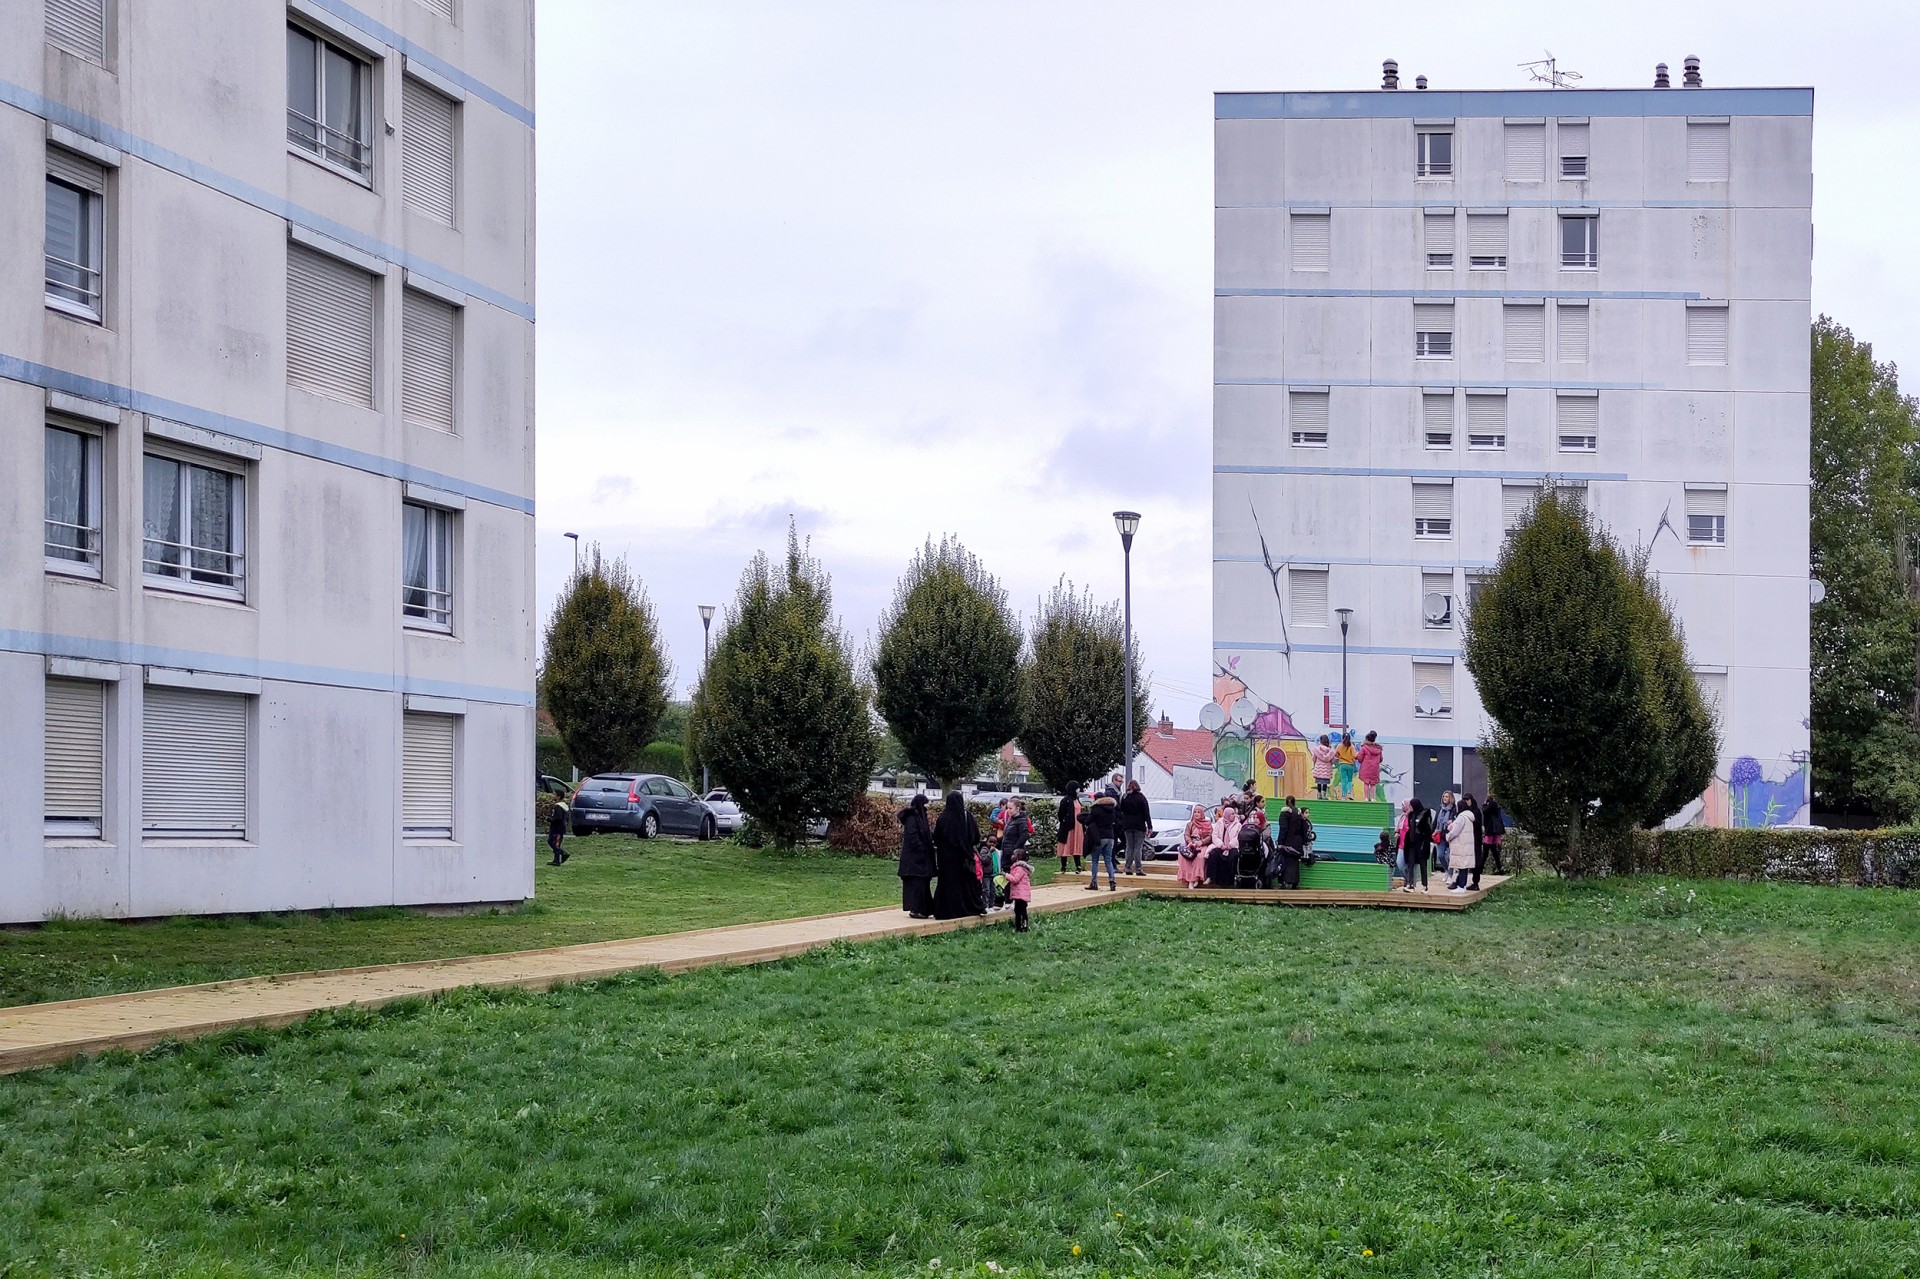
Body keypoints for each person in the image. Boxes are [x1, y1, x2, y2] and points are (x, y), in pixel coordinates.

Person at [931, 792, 985, 918]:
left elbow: (936, 837)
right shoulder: (968, 817)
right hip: (965, 856)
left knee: (948, 883)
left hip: (946, 858)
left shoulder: (943, 818)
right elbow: (976, 837)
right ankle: (970, 907)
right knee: (966, 883)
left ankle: (947, 910)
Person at [897, 793, 937, 917]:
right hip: (914, 858)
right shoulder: (912, 818)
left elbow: (927, 833)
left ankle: (924, 908)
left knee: (923, 883)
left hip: (921, 858)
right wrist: (922, 849)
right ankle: (916, 909)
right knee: (917, 883)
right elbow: (913, 836)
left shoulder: (920, 816)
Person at [1078, 787, 1119, 891]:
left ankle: (1094, 882)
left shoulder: (1096, 809)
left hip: (1099, 837)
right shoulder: (1112, 809)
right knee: (1108, 860)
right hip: (1110, 837)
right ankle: (1112, 881)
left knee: (1095, 860)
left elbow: (1088, 821)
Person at [995, 798, 1031, 912]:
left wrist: (1015, 849)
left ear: (1018, 808)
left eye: (1010, 808)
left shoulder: (1022, 821)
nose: (1008, 811)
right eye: (1007, 808)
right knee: (1006, 876)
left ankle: (1014, 901)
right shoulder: (1011, 819)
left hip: (1014, 854)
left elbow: (1024, 836)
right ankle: (1007, 902)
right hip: (1006, 852)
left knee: (1014, 877)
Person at [1118, 779, 1153, 876]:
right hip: (1139, 826)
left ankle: (1128, 867)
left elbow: (1121, 810)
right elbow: (1146, 813)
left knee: (1129, 846)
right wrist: (1149, 826)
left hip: (1127, 826)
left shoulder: (1125, 798)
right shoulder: (1141, 798)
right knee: (1138, 847)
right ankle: (1138, 868)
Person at [1271, 797, 1307, 889]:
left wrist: (1280, 842)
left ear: (1286, 803)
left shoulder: (1284, 814)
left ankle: (1286, 882)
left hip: (1287, 841)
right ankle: (1295, 882)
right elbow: (1304, 829)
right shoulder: (1299, 815)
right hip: (1298, 842)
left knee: (1286, 862)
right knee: (1295, 863)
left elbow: (1283, 829)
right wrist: (1303, 842)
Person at [1445, 796, 1478, 893]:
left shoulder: (1461, 817)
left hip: (1461, 845)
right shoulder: (1469, 817)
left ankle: (1461, 886)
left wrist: (1448, 836)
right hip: (1466, 845)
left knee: (1462, 866)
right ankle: (1461, 885)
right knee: (1464, 866)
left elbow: (1455, 831)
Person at [1400, 797, 1434, 892]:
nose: (1410, 807)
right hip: (1412, 843)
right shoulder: (1411, 815)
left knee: (1423, 864)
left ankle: (1425, 886)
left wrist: (1426, 841)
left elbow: (1427, 829)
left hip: (1421, 843)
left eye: (1411, 805)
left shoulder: (1425, 814)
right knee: (1410, 863)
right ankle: (1410, 885)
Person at [1208, 803, 1242, 887]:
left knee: (1234, 856)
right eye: (1232, 814)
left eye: (1234, 814)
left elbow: (1239, 837)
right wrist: (1221, 845)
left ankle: (1230, 880)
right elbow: (1214, 835)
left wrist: (1230, 845)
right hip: (1221, 845)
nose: (1234, 816)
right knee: (1213, 854)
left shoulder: (1238, 825)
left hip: (1232, 847)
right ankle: (1212, 878)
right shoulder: (1219, 823)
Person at [1178, 804, 1210, 888]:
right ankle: (1189, 880)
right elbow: (1186, 835)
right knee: (1183, 856)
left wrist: (1202, 842)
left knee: (1200, 857)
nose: (1196, 814)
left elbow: (1209, 836)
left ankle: (1196, 878)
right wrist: (1190, 842)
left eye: (1198, 812)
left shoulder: (1207, 824)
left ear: (1202, 814)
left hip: (1201, 845)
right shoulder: (1190, 824)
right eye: (1195, 812)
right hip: (1191, 844)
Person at [1056, 786, 1083, 875]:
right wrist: (1065, 821)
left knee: (1076, 844)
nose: (1078, 790)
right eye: (1077, 788)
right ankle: (1063, 866)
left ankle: (1078, 866)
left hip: (1078, 825)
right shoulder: (1066, 800)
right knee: (1066, 844)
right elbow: (1060, 813)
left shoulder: (1077, 799)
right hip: (1068, 826)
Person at [1005, 848, 1033, 932]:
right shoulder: (1017, 867)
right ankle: (1020, 926)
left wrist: (1005, 875)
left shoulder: (1019, 868)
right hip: (1019, 894)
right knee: (1019, 910)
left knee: (1020, 911)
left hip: (1020, 894)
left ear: (1018, 857)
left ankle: (1022, 926)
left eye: (1013, 854)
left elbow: (1015, 879)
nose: (1011, 856)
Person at [1482, 794, 1508, 875]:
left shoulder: (1491, 805)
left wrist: (1484, 804)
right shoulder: (1496, 807)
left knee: (1485, 852)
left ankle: (1480, 870)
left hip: (1490, 831)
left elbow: (1484, 811)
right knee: (1494, 852)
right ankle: (1500, 868)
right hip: (1495, 831)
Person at [1432, 789, 1457, 873]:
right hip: (1440, 835)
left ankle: (1450, 874)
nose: (1444, 798)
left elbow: (1456, 820)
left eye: (1446, 797)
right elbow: (1435, 821)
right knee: (1440, 855)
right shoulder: (1440, 808)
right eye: (1443, 796)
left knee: (1449, 857)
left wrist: (1452, 821)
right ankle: (1446, 870)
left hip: (1449, 835)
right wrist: (1432, 831)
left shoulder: (1454, 808)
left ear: (1451, 798)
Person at [1357, 731, 1384, 802]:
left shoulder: (1364, 748)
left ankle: (1366, 798)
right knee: (1373, 784)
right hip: (1375, 769)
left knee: (1366, 783)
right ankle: (1373, 798)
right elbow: (1381, 759)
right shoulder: (1378, 749)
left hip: (1366, 768)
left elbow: (1359, 758)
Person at [1309, 734, 1336, 800]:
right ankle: (1324, 794)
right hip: (1327, 768)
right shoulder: (1330, 751)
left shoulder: (1317, 749)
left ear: (1321, 741)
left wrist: (1315, 763)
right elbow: (1332, 761)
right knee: (1325, 782)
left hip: (1319, 767)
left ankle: (1318, 794)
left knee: (1319, 782)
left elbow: (1314, 759)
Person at [1334, 732, 1358, 800]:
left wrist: (1340, 757)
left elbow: (1336, 754)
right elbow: (1354, 755)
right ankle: (1350, 793)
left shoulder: (1339, 746)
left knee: (1343, 780)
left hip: (1342, 764)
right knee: (1349, 780)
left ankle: (1344, 796)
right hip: (1350, 765)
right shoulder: (1352, 746)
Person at [546, 797, 569, 866]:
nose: (553, 796)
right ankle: (556, 860)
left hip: (557, 828)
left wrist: (550, 819)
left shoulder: (558, 806)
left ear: (558, 796)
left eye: (554, 794)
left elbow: (558, 817)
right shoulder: (564, 806)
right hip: (560, 827)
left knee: (554, 843)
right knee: (554, 843)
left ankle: (563, 853)